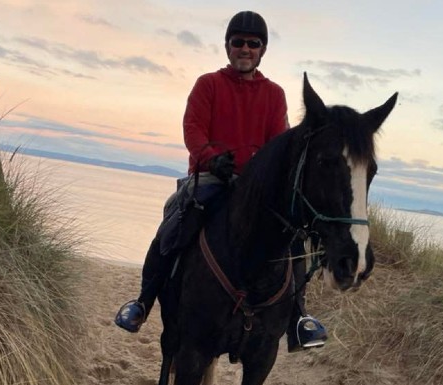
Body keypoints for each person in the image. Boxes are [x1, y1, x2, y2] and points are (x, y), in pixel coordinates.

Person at [113, 10, 327, 352]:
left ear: (262, 50)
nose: (245, 48)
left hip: (255, 186)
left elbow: (279, 142)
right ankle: (143, 301)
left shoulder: (274, 94)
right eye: (238, 42)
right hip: (212, 174)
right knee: (173, 226)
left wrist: (258, 171)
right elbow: (192, 128)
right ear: (228, 46)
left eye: (253, 43)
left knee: (292, 238)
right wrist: (211, 157)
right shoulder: (208, 84)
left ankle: (299, 316)